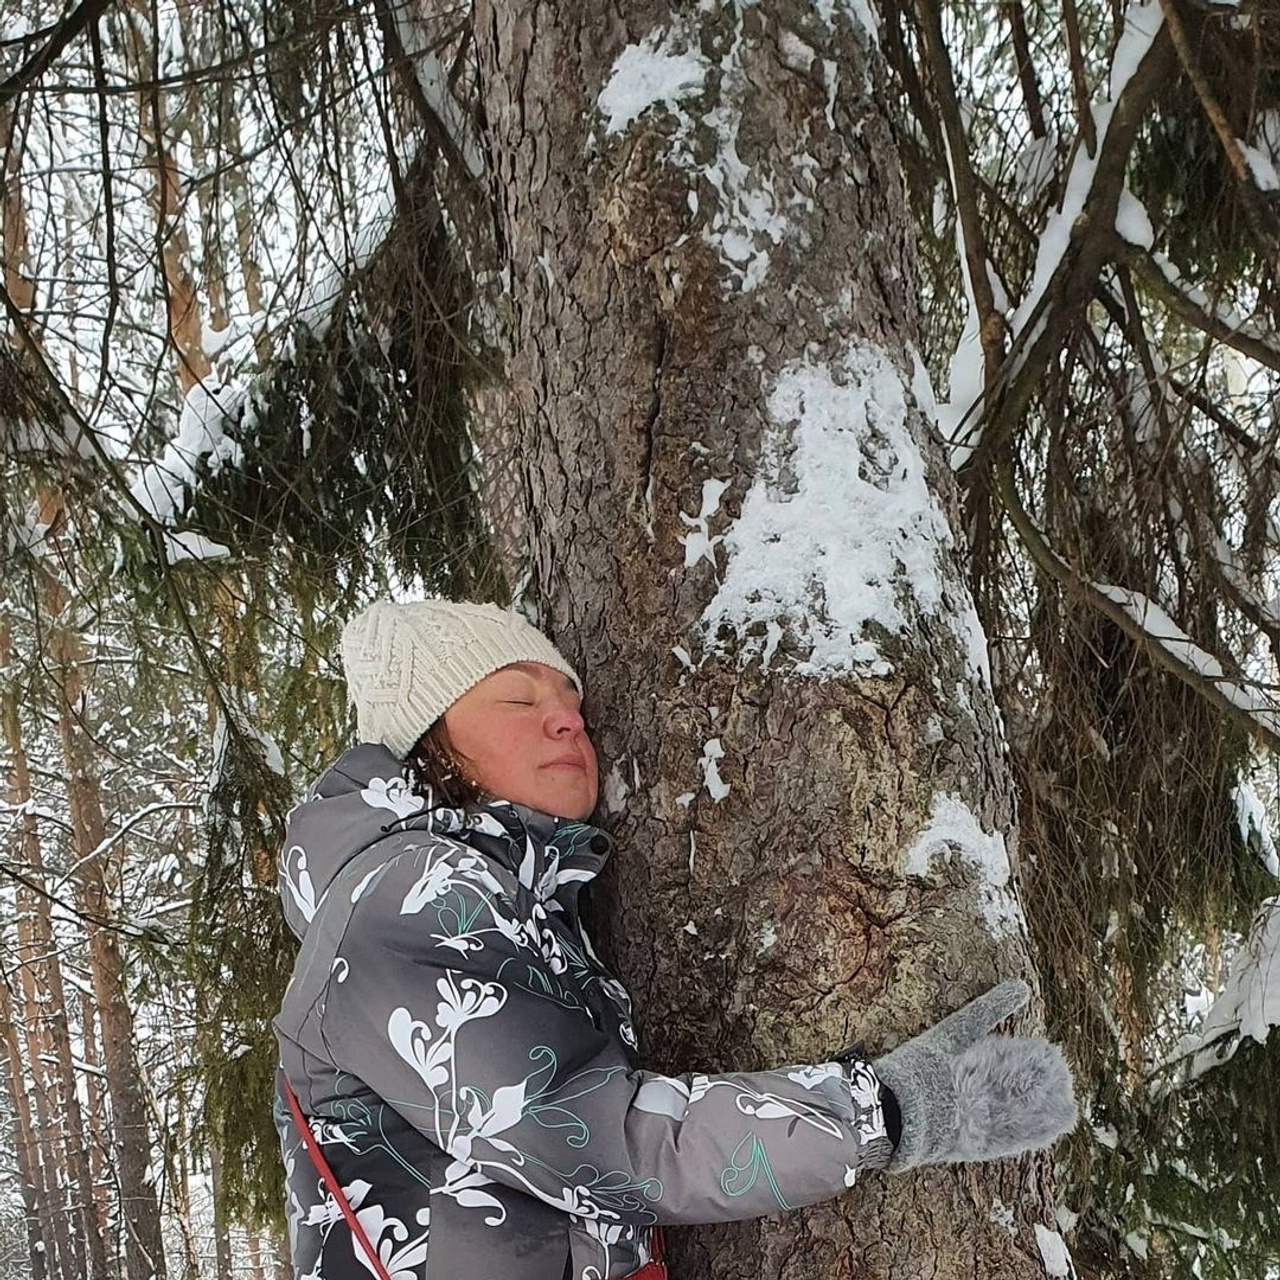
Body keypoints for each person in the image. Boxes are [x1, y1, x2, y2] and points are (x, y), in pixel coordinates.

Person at [273, 599, 1077, 1280]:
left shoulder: (501, 899)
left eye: (574, 703)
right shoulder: (400, 898)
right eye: (518, 702)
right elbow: (597, 1138)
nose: (567, 720)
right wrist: (891, 1109)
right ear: (429, 742)